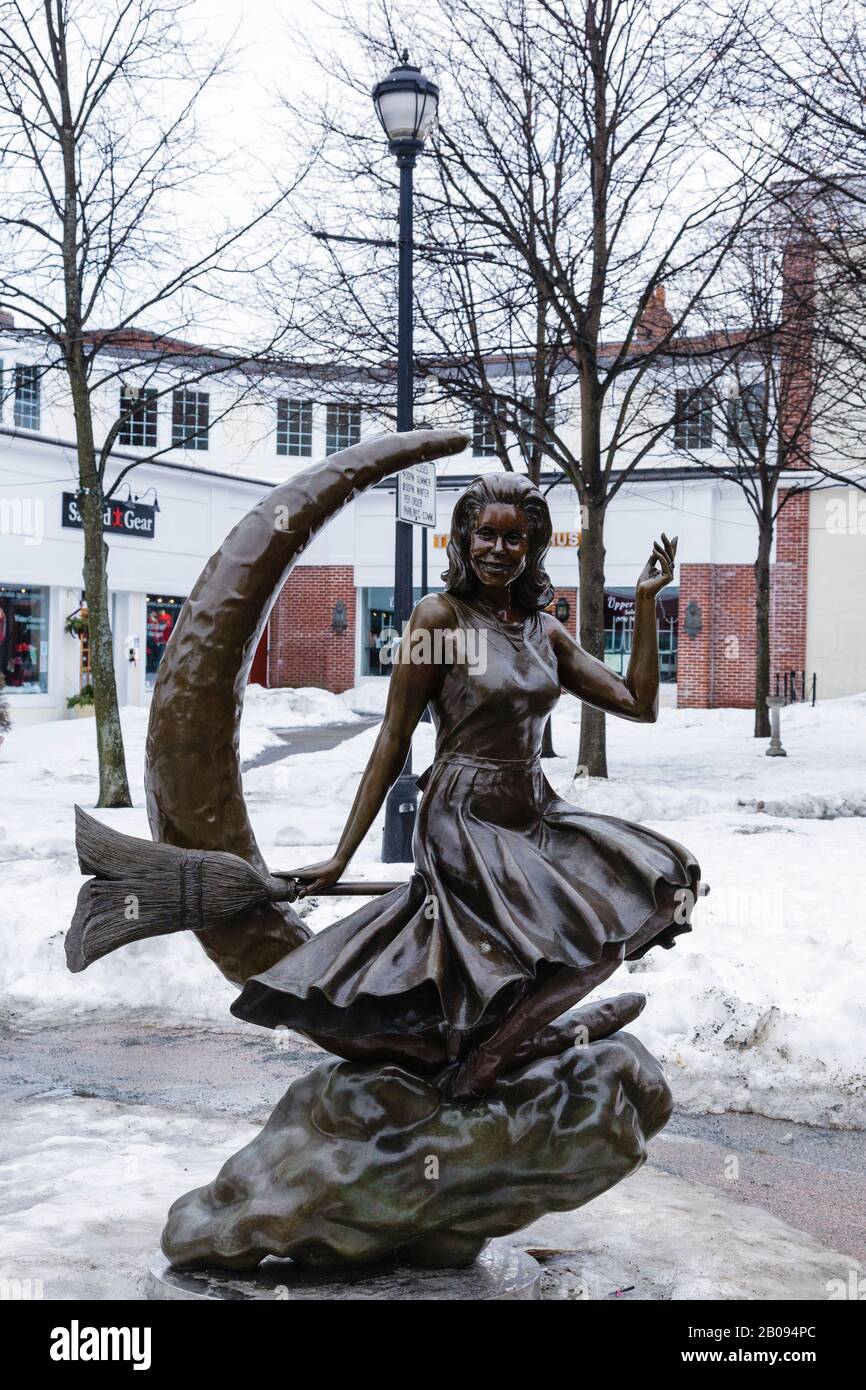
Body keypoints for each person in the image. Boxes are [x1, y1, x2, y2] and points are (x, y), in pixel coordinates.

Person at [231, 473, 700, 1100]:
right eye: (487, 535)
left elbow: (639, 704)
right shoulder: (439, 617)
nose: (499, 550)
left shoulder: (544, 630)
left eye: (516, 538)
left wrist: (645, 602)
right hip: (463, 817)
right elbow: (392, 739)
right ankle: (482, 1058)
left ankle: (494, 1052)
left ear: (533, 546)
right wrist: (344, 853)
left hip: (534, 808)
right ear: (463, 538)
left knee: (658, 894)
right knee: (541, 944)